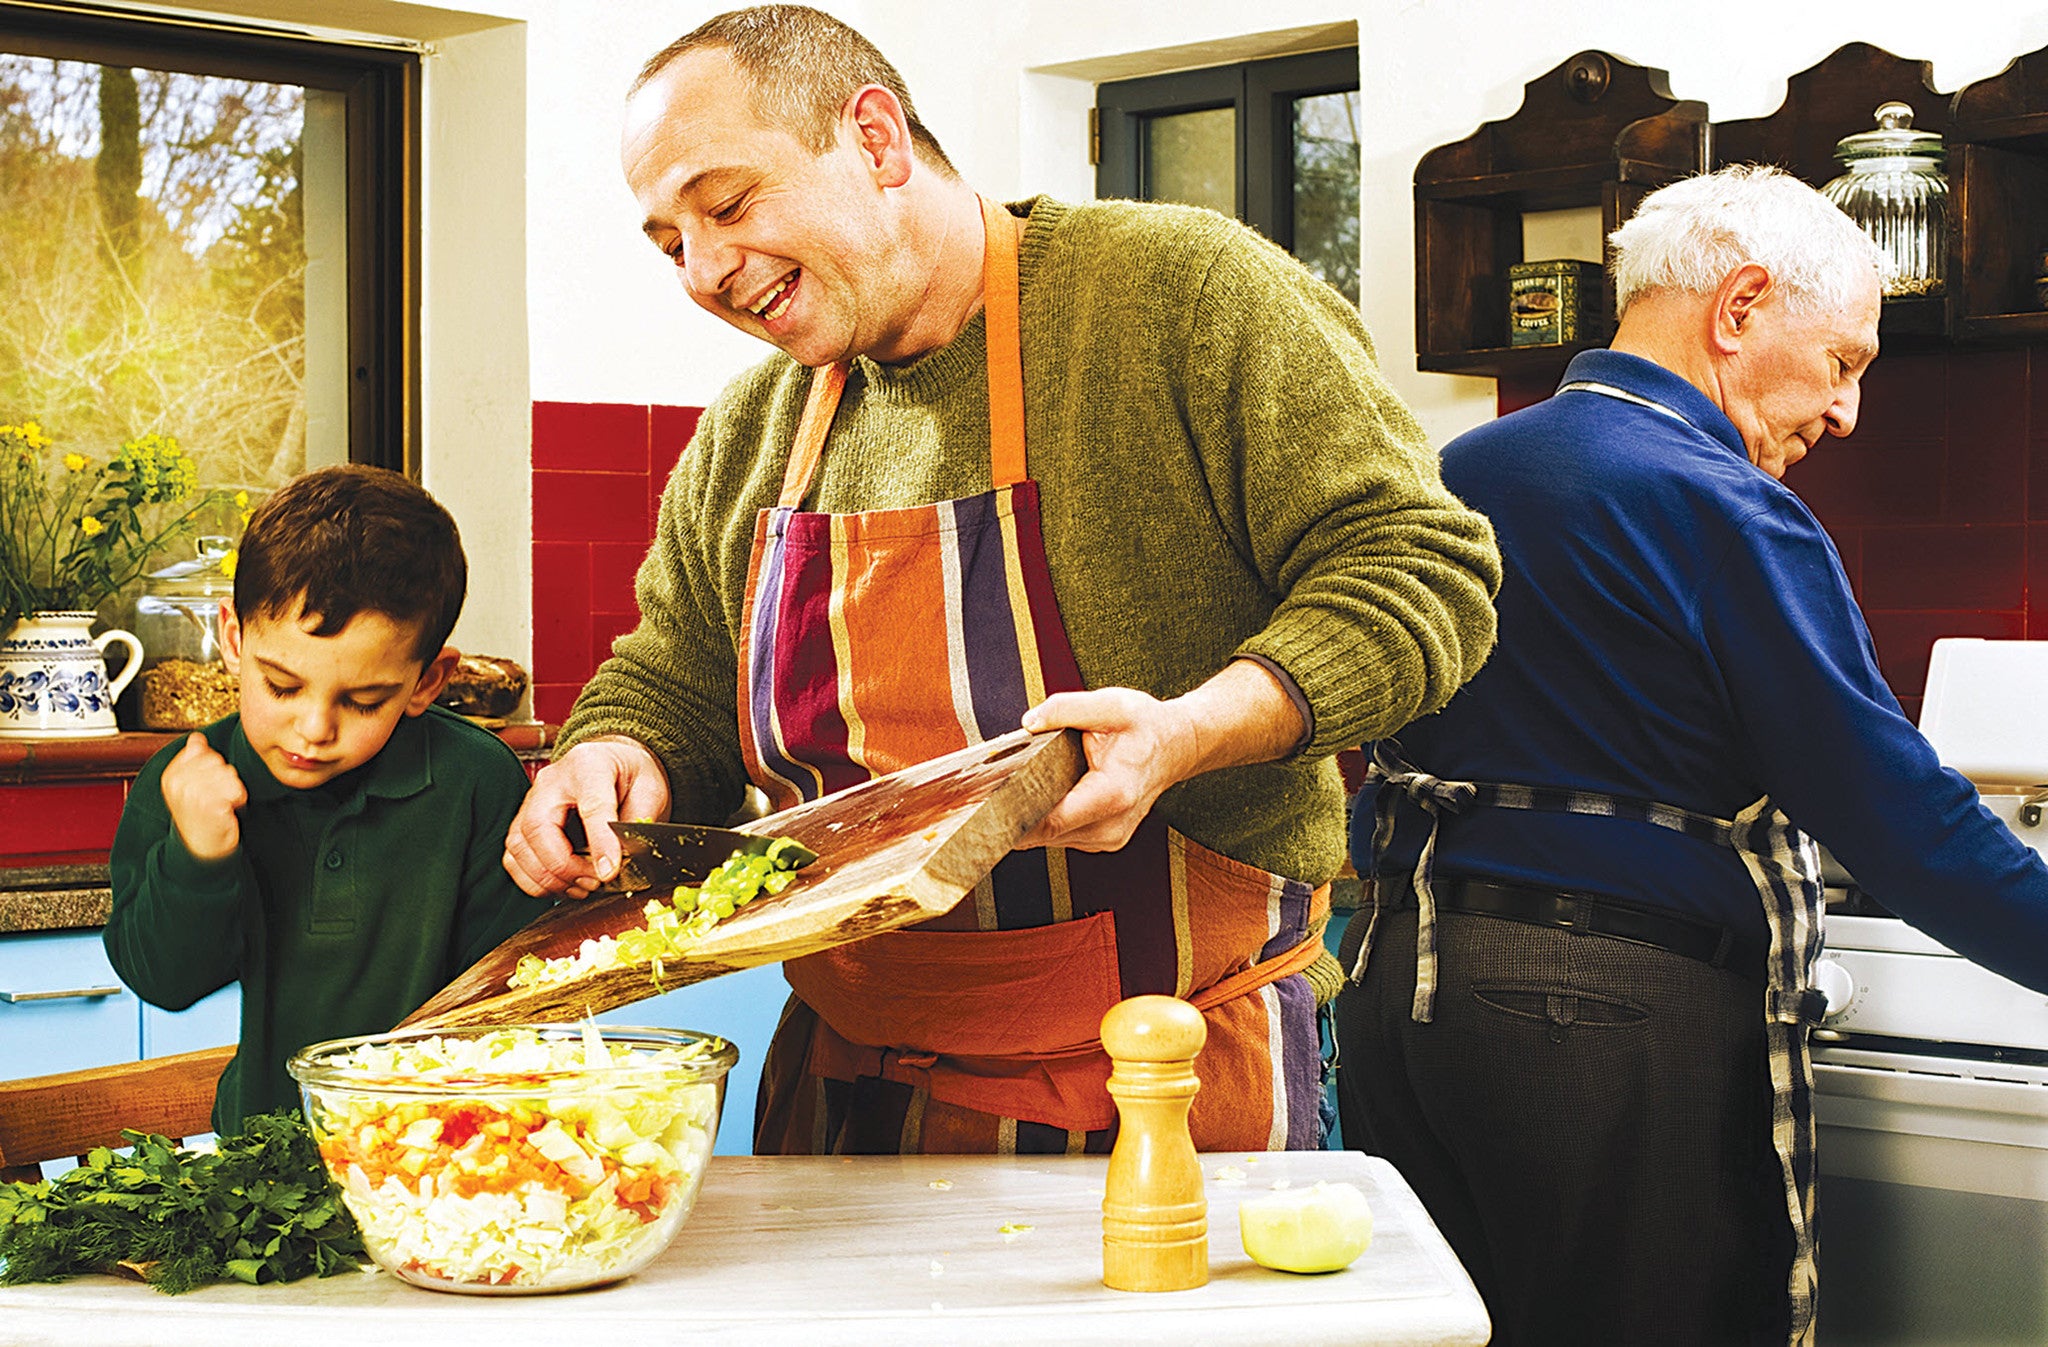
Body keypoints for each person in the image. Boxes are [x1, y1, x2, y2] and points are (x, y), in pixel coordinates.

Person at [502, 4, 1500, 1157]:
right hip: (846, 1095)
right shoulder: (752, 431)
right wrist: (612, 755)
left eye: (725, 206)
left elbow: (1418, 567)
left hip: (1159, 1081)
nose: (704, 271)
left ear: (874, 141)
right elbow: (672, 674)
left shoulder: (1179, 298)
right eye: (669, 242)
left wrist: (1189, 731)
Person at [1334, 163, 2048, 1347]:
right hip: (1600, 1022)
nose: (1845, 413)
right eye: (1843, 364)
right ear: (1738, 307)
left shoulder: (1452, 472)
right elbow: (1893, 812)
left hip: (1405, 994)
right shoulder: (1716, 505)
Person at [106, 465, 553, 1131]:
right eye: (282, 686)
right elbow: (164, 982)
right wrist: (199, 855)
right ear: (233, 639)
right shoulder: (184, 782)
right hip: (266, 1168)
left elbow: (522, 996)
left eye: (363, 700)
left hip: (453, 1159)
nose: (315, 729)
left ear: (427, 681)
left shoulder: (477, 782)